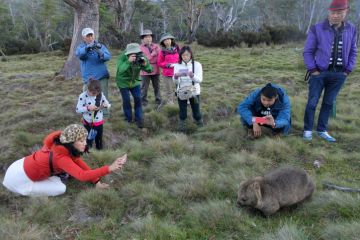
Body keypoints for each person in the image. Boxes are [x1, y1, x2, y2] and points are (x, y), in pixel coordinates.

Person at [2, 124, 127, 197]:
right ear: (71, 142)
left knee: (65, 172)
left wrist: (96, 181)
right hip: (17, 180)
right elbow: (82, 175)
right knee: (60, 189)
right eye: (81, 141)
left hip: (19, 165)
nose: (85, 143)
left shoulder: (62, 144)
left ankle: (58, 175)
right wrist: (109, 168)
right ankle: (28, 190)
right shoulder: (61, 157)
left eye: (85, 139)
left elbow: (78, 162)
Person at [303, 0, 357, 142]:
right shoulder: (317, 28)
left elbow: (353, 51)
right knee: (312, 102)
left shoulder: (352, 29)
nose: (335, 15)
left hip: (339, 75)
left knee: (328, 103)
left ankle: (322, 130)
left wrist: (348, 70)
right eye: (333, 12)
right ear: (329, 12)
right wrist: (313, 70)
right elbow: (308, 51)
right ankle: (308, 130)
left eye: (339, 12)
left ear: (346, 12)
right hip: (319, 73)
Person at [75, 27, 111, 117]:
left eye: (91, 35)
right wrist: (88, 48)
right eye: (88, 36)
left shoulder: (100, 46)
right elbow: (79, 54)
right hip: (89, 77)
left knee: (102, 95)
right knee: (87, 95)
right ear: (84, 37)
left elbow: (108, 56)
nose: (90, 37)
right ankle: (87, 113)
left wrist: (101, 54)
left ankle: (104, 114)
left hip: (101, 75)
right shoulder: (81, 47)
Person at [115, 43, 153, 128]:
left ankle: (138, 119)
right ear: (128, 53)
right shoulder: (122, 57)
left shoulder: (141, 56)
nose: (135, 55)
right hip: (123, 82)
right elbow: (120, 71)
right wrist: (128, 62)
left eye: (136, 52)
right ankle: (128, 119)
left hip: (135, 82)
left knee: (138, 98)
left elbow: (150, 70)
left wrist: (145, 64)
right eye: (132, 53)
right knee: (126, 100)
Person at [173, 46, 203, 131]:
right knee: (182, 113)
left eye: (187, 55)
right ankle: (182, 129)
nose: (185, 57)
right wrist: (175, 76)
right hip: (181, 92)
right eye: (183, 55)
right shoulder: (177, 65)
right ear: (180, 56)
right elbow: (175, 82)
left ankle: (200, 126)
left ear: (191, 55)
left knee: (196, 112)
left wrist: (192, 76)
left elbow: (199, 80)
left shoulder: (197, 65)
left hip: (194, 92)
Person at [76, 79, 110, 150]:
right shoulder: (83, 96)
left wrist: (105, 105)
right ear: (88, 89)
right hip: (88, 123)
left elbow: (108, 104)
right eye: (93, 93)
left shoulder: (100, 94)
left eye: (97, 93)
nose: (95, 95)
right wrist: (88, 108)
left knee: (99, 138)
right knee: (89, 139)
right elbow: (78, 109)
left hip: (99, 122)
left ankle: (99, 150)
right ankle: (88, 150)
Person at [140, 29, 162, 107]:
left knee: (157, 86)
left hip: (156, 69)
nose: (148, 38)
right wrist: (152, 55)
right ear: (143, 39)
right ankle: (143, 102)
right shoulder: (140, 48)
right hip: (144, 70)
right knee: (144, 87)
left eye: (149, 36)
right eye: (146, 37)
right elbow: (142, 60)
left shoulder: (156, 46)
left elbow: (160, 57)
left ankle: (158, 100)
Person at [157, 33, 180, 105]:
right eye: (165, 40)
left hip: (178, 72)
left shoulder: (177, 48)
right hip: (167, 73)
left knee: (180, 87)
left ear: (171, 40)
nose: (167, 41)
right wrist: (167, 65)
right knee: (169, 89)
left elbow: (182, 56)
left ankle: (183, 99)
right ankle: (170, 102)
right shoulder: (162, 51)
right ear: (163, 42)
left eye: (168, 39)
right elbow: (159, 62)